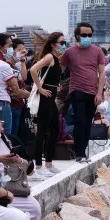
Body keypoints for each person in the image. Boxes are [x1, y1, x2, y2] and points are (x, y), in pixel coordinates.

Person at [61, 22, 106, 163]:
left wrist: (100, 93)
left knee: (87, 122)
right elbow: (61, 69)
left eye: (90, 35)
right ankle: (79, 152)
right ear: (77, 36)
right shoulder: (70, 52)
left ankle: (83, 150)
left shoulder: (98, 51)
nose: (87, 37)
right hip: (77, 90)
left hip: (93, 92)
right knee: (79, 121)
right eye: (84, 35)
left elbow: (102, 72)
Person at [30, 32, 66, 175]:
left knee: (54, 130)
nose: (63, 45)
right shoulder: (50, 56)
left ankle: (49, 163)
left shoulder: (56, 58)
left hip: (51, 97)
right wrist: (40, 88)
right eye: (61, 43)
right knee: (43, 131)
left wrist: (55, 86)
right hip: (45, 98)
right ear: (53, 44)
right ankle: (39, 166)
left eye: (64, 42)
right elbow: (33, 69)